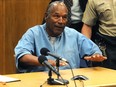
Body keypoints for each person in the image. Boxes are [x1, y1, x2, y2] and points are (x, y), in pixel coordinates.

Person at [14, 1, 106, 73]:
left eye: (64, 17)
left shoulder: (73, 35)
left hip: (70, 81)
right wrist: (46, 62)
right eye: (56, 16)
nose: (61, 21)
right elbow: (22, 55)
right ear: (46, 16)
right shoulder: (33, 33)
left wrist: (96, 56)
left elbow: (94, 51)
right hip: (41, 81)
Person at [81, 0, 116, 69]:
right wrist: (88, 50)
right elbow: (87, 26)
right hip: (107, 44)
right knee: (106, 75)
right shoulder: (94, 1)